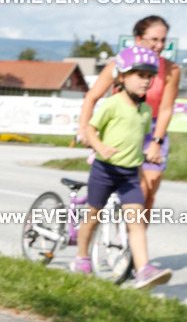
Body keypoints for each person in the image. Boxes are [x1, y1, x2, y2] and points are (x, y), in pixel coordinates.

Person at [71, 45, 172, 291]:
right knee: (92, 217)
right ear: (122, 77)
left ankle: (143, 270)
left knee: (136, 221)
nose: (146, 81)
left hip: (129, 175)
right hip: (105, 171)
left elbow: (137, 141)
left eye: (150, 76)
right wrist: (100, 147)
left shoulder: (146, 111)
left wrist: (148, 155)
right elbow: (91, 130)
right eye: (140, 75)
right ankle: (82, 257)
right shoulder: (112, 104)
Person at [78, 16, 180, 209]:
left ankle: (131, 235)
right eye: (154, 39)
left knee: (149, 191)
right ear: (138, 38)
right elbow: (91, 97)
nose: (160, 45)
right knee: (133, 189)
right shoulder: (120, 64)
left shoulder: (170, 69)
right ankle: (121, 231)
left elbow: (166, 109)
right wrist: (83, 129)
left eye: (163, 40)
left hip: (152, 128)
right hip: (121, 127)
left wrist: (156, 143)